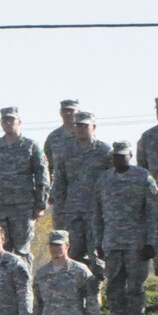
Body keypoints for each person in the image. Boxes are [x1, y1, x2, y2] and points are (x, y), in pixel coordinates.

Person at [90, 140, 158, 315]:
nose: (118, 159)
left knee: (136, 289)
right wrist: (98, 241)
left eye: (122, 155)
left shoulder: (143, 177)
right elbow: (96, 213)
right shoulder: (104, 179)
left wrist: (151, 241)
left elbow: (154, 212)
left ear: (130, 155)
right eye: (115, 156)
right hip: (112, 243)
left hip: (137, 244)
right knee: (113, 288)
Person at [0, 106, 49, 259]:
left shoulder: (30, 146)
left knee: (22, 250)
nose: (8, 123)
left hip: (23, 207)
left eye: (11, 120)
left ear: (19, 122)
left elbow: (42, 176)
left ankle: (23, 282)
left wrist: (40, 204)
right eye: (5, 120)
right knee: (0, 249)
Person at [53, 109, 112, 270]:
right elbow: (59, 183)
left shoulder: (104, 151)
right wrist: (59, 212)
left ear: (93, 127)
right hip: (72, 212)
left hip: (97, 212)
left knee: (97, 255)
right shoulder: (66, 151)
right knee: (72, 254)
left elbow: (112, 182)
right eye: (77, 125)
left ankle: (96, 291)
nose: (80, 129)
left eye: (84, 126)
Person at [43, 98, 82, 202]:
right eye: (64, 110)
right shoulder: (53, 137)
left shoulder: (85, 135)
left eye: (71, 110)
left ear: (78, 112)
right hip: (60, 192)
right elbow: (48, 167)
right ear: (60, 113)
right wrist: (48, 191)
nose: (68, 113)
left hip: (85, 191)